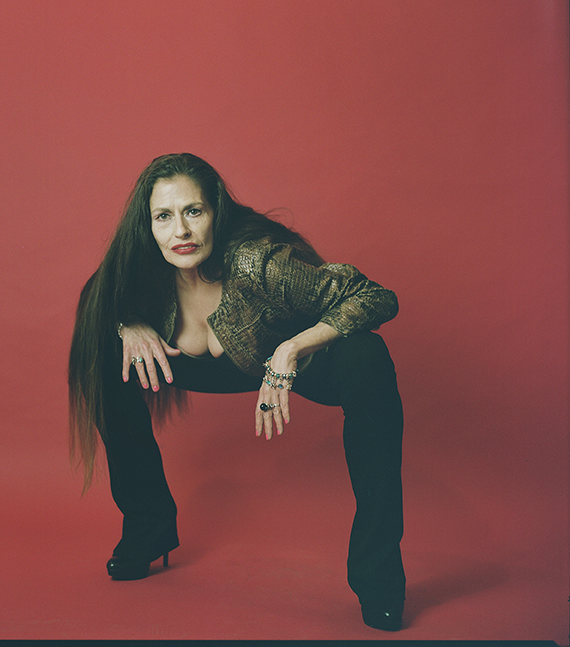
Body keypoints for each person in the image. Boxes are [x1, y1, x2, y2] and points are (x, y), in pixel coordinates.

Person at [68, 153, 406, 631]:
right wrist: (129, 324)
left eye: (194, 212)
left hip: (286, 362)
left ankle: (380, 577)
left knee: (368, 359)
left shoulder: (257, 263)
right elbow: (95, 297)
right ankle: (148, 528)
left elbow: (374, 296)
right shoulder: (143, 265)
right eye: (164, 216)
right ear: (148, 226)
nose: (180, 231)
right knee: (103, 351)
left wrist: (290, 351)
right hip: (202, 367)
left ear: (215, 213)